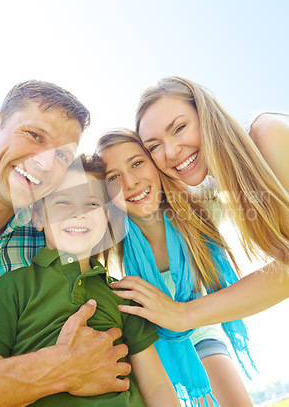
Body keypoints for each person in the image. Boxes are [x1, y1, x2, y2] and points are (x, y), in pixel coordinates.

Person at [0, 155, 189, 407]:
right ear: (39, 217)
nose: (77, 213)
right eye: (63, 203)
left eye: (92, 204)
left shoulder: (121, 293)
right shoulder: (11, 289)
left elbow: (156, 386)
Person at [0, 81, 130, 407]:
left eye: (63, 155)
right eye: (34, 135)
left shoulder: (47, 238)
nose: (46, 163)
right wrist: (61, 365)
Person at [97, 130, 265, 407]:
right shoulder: (109, 232)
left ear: (156, 164)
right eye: (114, 177)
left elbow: (239, 167)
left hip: (198, 327)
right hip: (143, 347)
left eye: (137, 164)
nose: (130, 182)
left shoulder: (198, 204)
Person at [110, 76, 288, 331]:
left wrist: (185, 314)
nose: (171, 152)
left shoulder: (267, 135)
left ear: (206, 115)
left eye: (179, 128)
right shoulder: (219, 189)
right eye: (155, 146)